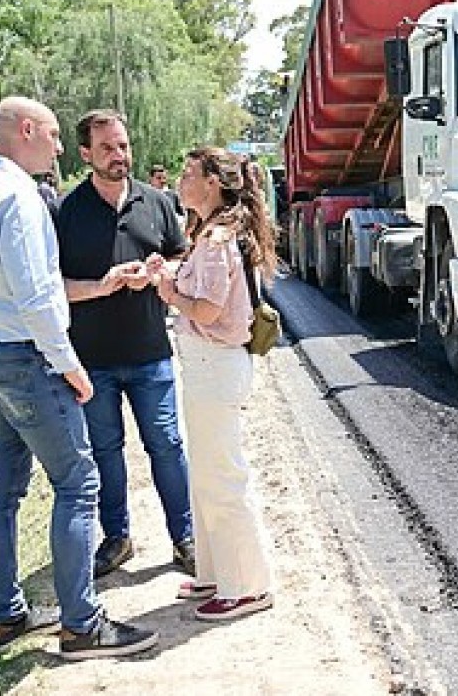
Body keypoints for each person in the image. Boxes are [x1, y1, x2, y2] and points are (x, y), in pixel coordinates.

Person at [0, 96, 158, 660]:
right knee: (78, 484)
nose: (60, 149)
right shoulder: (21, 199)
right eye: (55, 136)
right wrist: (69, 364)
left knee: (1, 491)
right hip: (32, 360)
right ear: (28, 130)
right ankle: (82, 626)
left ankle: (5, 616)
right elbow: (38, 297)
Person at [55, 110, 195, 579]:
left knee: (167, 446)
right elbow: (52, 287)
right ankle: (117, 538)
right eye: (107, 148)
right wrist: (103, 285)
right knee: (105, 452)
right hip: (92, 360)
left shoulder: (156, 203)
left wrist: (158, 274)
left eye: (123, 145)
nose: (119, 155)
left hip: (151, 353)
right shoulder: (66, 212)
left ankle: (185, 537)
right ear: (85, 154)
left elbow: (181, 260)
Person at [148, 147, 278, 623]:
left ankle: (247, 587)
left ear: (212, 184)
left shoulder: (218, 238)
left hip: (216, 366)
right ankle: (215, 573)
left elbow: (207, 310)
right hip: (209, 365)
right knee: (206, 474)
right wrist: (169, 275)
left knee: (222, 477)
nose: (179, 181)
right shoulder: (210, 233)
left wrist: (168, 292)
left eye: (188, 174)